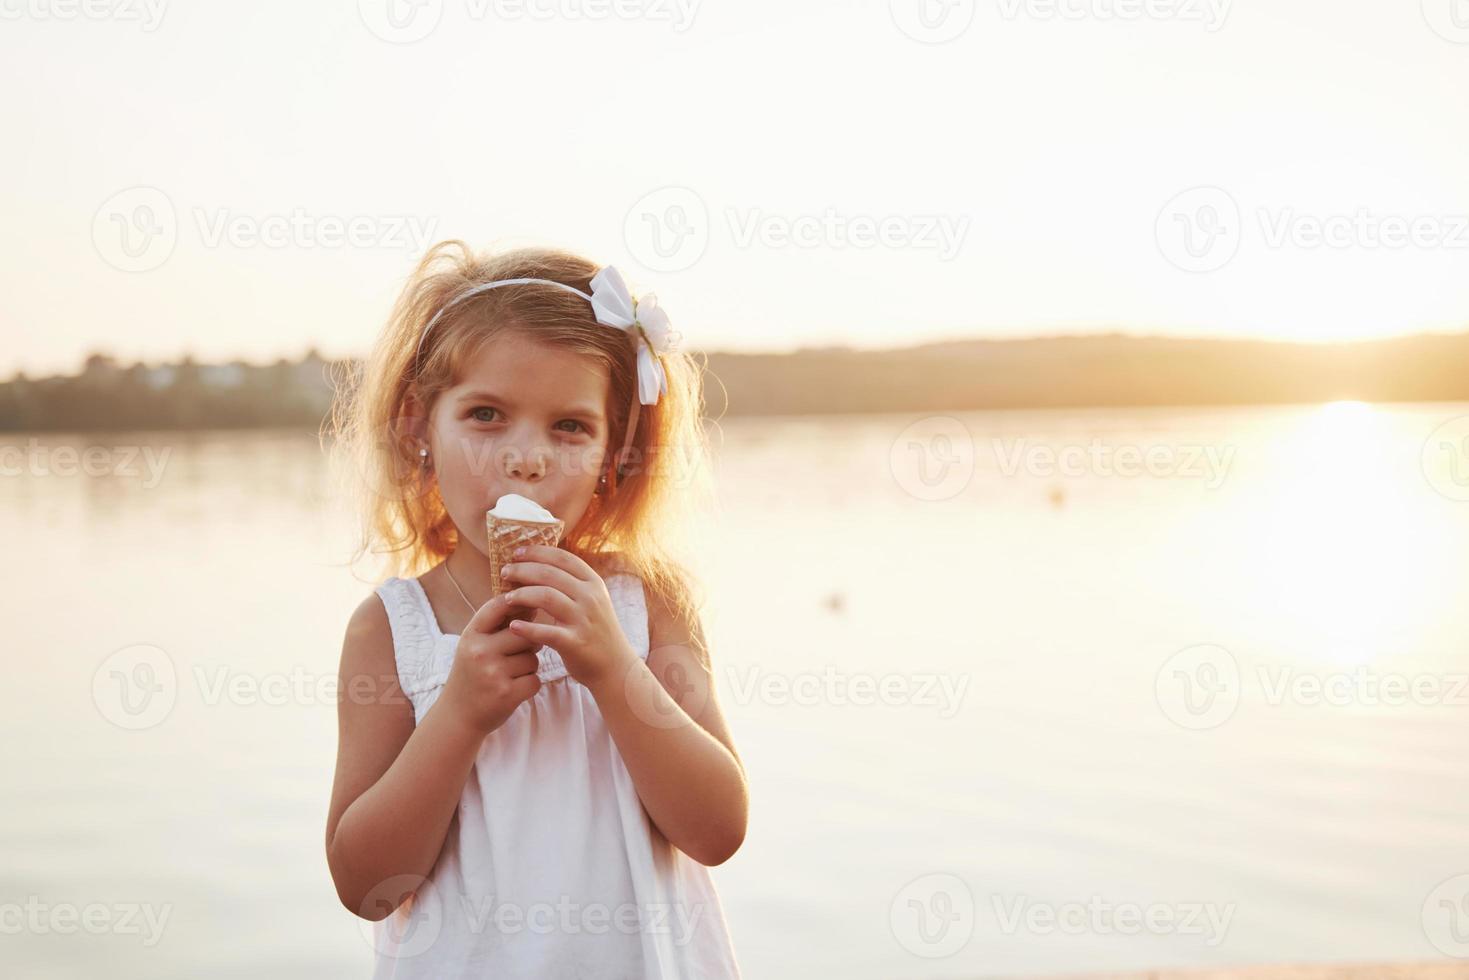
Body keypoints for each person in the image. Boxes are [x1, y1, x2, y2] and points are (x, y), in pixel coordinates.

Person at [323, 240, 746, 977]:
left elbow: (717, 830)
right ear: (421, 426)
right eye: (486, 414)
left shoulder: (644, 603)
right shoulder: (393, 629)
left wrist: (616, 674)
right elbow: (364, 886)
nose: (527, 458)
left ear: (616, 453)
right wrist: (457, 715)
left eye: (570, 427)